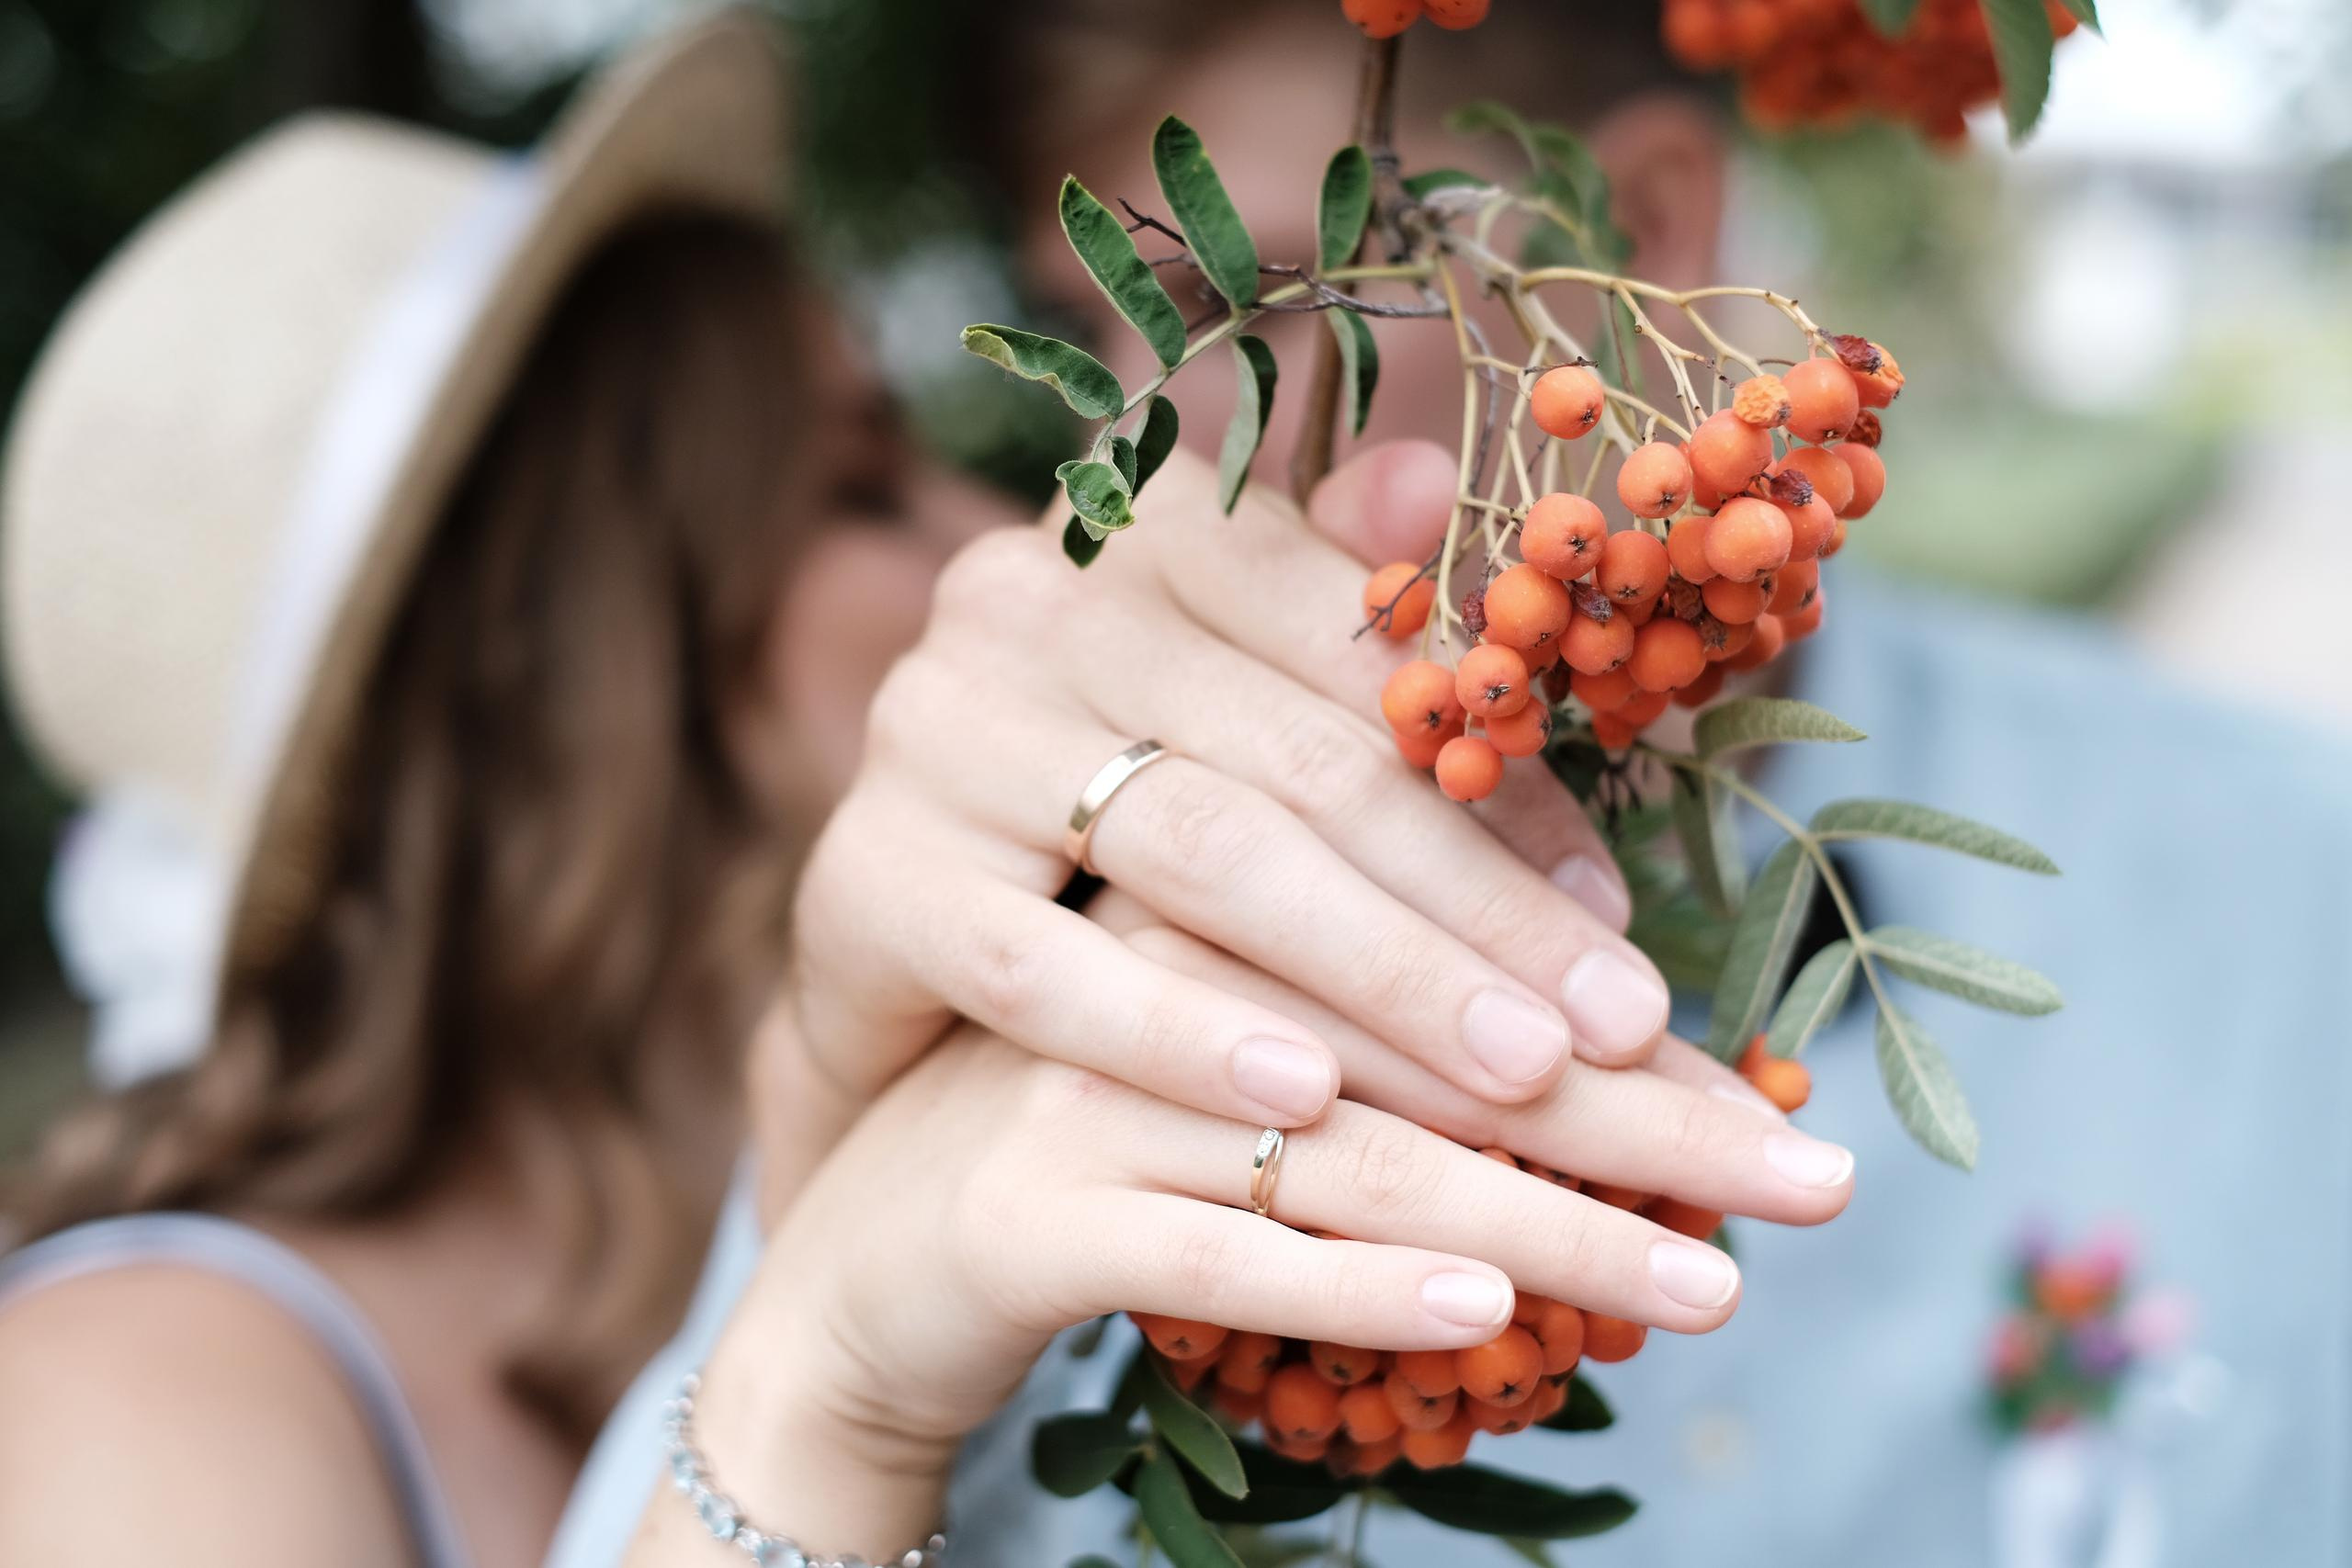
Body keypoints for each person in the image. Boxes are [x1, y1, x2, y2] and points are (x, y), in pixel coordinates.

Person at [0, 9, 1855, 1568]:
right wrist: (820, 1393)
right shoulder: (135, 1387)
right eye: (856, 486)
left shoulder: (1007, 1114)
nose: (1008, 534)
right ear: (559, 680)